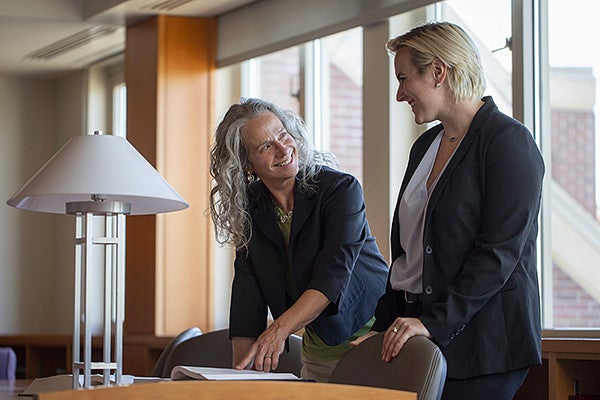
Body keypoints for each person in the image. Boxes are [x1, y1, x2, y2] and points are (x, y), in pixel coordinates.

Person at [351, 22, 545, 399]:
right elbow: (409, 257)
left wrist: (431, 324)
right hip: (427, 337)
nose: (399, 94)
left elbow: (497, 255)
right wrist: (383, 325)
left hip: (485, 349)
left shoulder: (508, 142)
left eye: (405, 78)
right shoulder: (424, 147)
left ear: (439, 71)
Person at [209, 98, 388, 382]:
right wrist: (237, 378)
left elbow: (332, 274)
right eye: (266, 146)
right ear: (247, 165)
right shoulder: (252, 211)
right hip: (319, 348)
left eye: (282, 134)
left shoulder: (340, 189)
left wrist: (277, 332)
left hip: (375, 335)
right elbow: (247, 299)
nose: (283, 149)